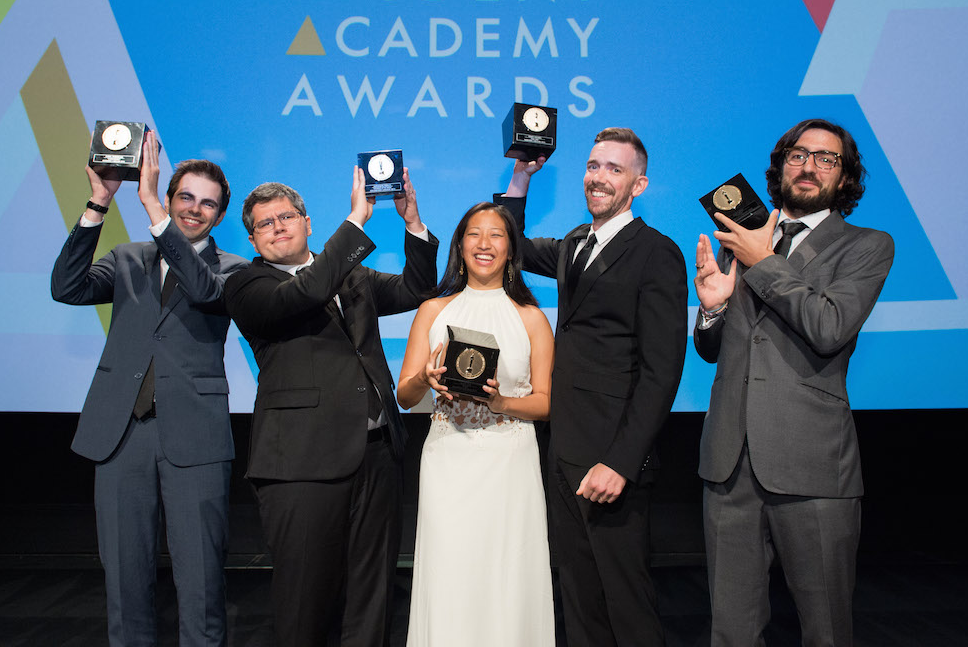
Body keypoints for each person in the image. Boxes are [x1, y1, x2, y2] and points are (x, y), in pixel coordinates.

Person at [693, 118, 894, 647]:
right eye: (799, 154)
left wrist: (763, 261)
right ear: (781, 165)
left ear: (844, 177)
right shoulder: (739, 244)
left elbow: (828, 327)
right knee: (730, 632)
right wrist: (710, 312)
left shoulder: (867, 246)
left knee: (825, 630)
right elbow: (715, 352)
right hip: (729, 465)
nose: (809, 166)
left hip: (814, 467)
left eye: (827, 159)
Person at [223, 167, 438, 647]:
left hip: (378, 453)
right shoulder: (245, 284)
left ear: (307, 222)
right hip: (301, 462)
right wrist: (358, 218)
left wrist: (413, 225)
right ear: (254, 239)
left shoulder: (351, 275)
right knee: (306, 597)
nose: (278, 227)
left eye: (287, 216)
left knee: (372, 592)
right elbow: (306, 292)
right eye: (265, 223)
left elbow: (416, 290)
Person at [51, 133, 245, 647]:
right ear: (175, 197)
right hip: (121, 434)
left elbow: (202, 291)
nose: (194, 209)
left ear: (219, 216)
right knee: (124, 580)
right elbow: (67, 288)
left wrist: (152, 208)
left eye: (207, 203)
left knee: (201, 583)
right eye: (185, 197)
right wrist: (99, 202)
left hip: (196, 438)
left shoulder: (235, 271)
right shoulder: (127, 257)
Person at [497, 127, 688, 647]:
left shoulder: (657, 253)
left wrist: (622, 463)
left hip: (610, 459)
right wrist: (520, 177)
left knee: (626, 602)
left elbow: (661, 370)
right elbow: (509, 242)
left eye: (614, 169)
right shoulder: (575, 243)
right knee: (580, 600)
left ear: (639, 185)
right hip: (563, 450)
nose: (597, 178)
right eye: (593, 166)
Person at [398, 202, 556, 647]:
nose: (484, 244)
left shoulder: (531, 318)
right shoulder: (432, 309)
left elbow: (544, 403)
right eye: (473, 234)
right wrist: (425, 380)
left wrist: (501, 401)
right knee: (451, 573)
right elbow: (404, 395)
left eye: (496, 235)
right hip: (448, 459)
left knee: (508, 572)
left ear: (511, 249)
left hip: (509, 462)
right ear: (460, 245)